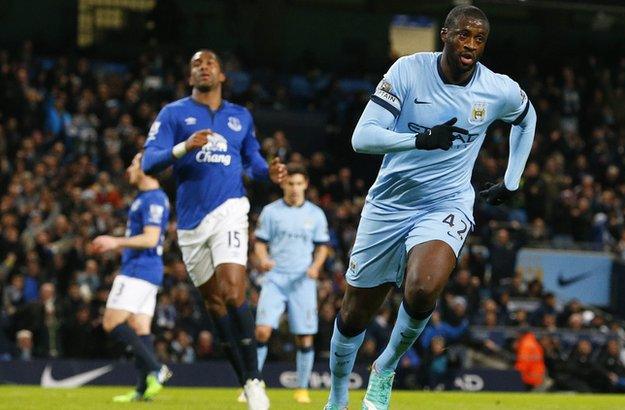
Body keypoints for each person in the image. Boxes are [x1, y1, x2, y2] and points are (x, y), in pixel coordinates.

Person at [324, 5, 536, 410]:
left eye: (478, 39)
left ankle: (384, 369)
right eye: (463, 35)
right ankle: (336, 398)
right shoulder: (407, 71)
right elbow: (362, 137)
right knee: (353, 316)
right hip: (389, 202)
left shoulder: (497, 88)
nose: (470, 45)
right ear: (445, 34)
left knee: (423, 291)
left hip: (446, 203)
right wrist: (417, 141)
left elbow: (527, 118)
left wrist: (512, 179)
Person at [141, 49, 286, 409]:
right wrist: (182, 147)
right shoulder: (173, 114)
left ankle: (256, 383)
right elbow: (148, 163)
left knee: (234, 291)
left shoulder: (241, 116)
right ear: (190, 76)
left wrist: (270, 172)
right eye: (195, 64)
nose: (203, 67)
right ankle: (246, 379)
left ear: (222, 75)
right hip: (191, 223)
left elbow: (252, 163)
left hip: (231, 210)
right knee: (216, 305)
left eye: (210, 63)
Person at [91, 153, 172, 402]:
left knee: (112, 323)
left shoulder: (154, 199)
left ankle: (157, 370)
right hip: (147, 270)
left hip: (139, 270)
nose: (129, 168)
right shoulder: (146, 198)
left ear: (146, 168)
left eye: (134, 163)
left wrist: (114, 241)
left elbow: (150, 238)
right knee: (140, 328)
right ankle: (141, 390)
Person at [253, 164, 330, 404]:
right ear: (283, 184)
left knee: (304, 336)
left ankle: (302, 388)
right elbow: (260, 242)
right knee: (262, 331)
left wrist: (316, 266)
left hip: (302, 280)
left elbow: (322, 247)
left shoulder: (316, 214)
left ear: (305, 184)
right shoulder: (270, 212)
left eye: (299, 183)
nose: (295, 188)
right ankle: (252, 383)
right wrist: (263, 259)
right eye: (290, 184)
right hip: (275, 279)